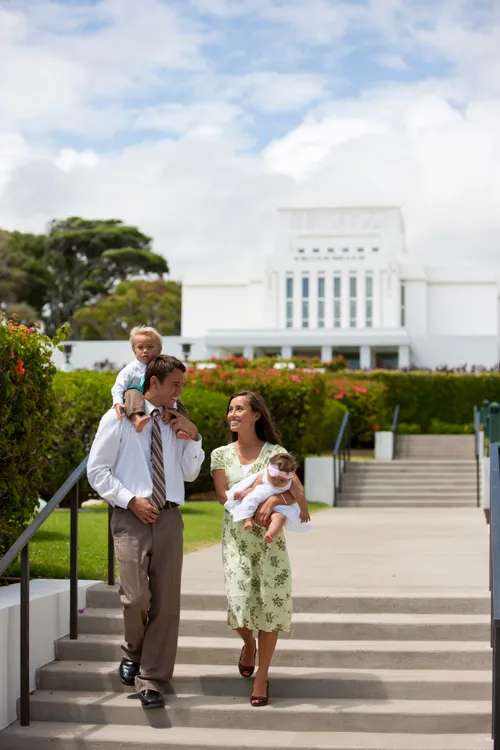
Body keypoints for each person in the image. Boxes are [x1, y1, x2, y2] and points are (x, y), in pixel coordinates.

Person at [87, 355, 204, 710]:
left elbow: (189, 474)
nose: (180, 392)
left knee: (167, 605)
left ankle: (152, 679)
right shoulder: (119, 417)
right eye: (175, 385)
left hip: (170, 519)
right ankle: (133, 653)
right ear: (153, 384)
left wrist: (194, 437)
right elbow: (97, 470)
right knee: (135, 597)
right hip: (131, 517)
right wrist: (130, 500)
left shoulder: (177, 422)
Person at [211, 390, 309, 707]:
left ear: (256, 415)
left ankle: (262, 676)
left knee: (270, 608)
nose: (233, 414)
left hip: (270, 544)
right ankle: (247, 644)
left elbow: (293, 494)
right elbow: (223, 495)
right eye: (230, 409)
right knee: (239, 606)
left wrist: (273, 499)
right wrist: (248, 507)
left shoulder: (276, 453)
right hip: (237, 539)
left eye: (240, 408)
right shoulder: (220, 455)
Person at [112, 325, 190, 439]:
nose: (145, 351)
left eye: (150, 347)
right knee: (132, 391)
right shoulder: (130, 369)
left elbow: (170, 389)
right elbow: (118, 386)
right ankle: (136, 419)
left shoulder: (162, 369)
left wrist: (170, 408)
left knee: (178, 402)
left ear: (159, 350)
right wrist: (118, 402)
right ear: (134, 350)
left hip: (158, 400)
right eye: (140, 347)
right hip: (135, 400)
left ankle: (181, 428)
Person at [224, 452, 311, 542]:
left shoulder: (291, 484)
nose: (276, 481)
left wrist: (304, 510)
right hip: (259, 498)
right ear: (268, 471)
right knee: (250, 500)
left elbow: (299, 495)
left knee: (280, 517)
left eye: (282, 480)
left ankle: (270, 534)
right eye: (273, 478)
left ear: (289, 478)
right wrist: (242, 494)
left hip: (280, 505)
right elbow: (252, 489)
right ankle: (247, 520)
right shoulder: (263, 477)